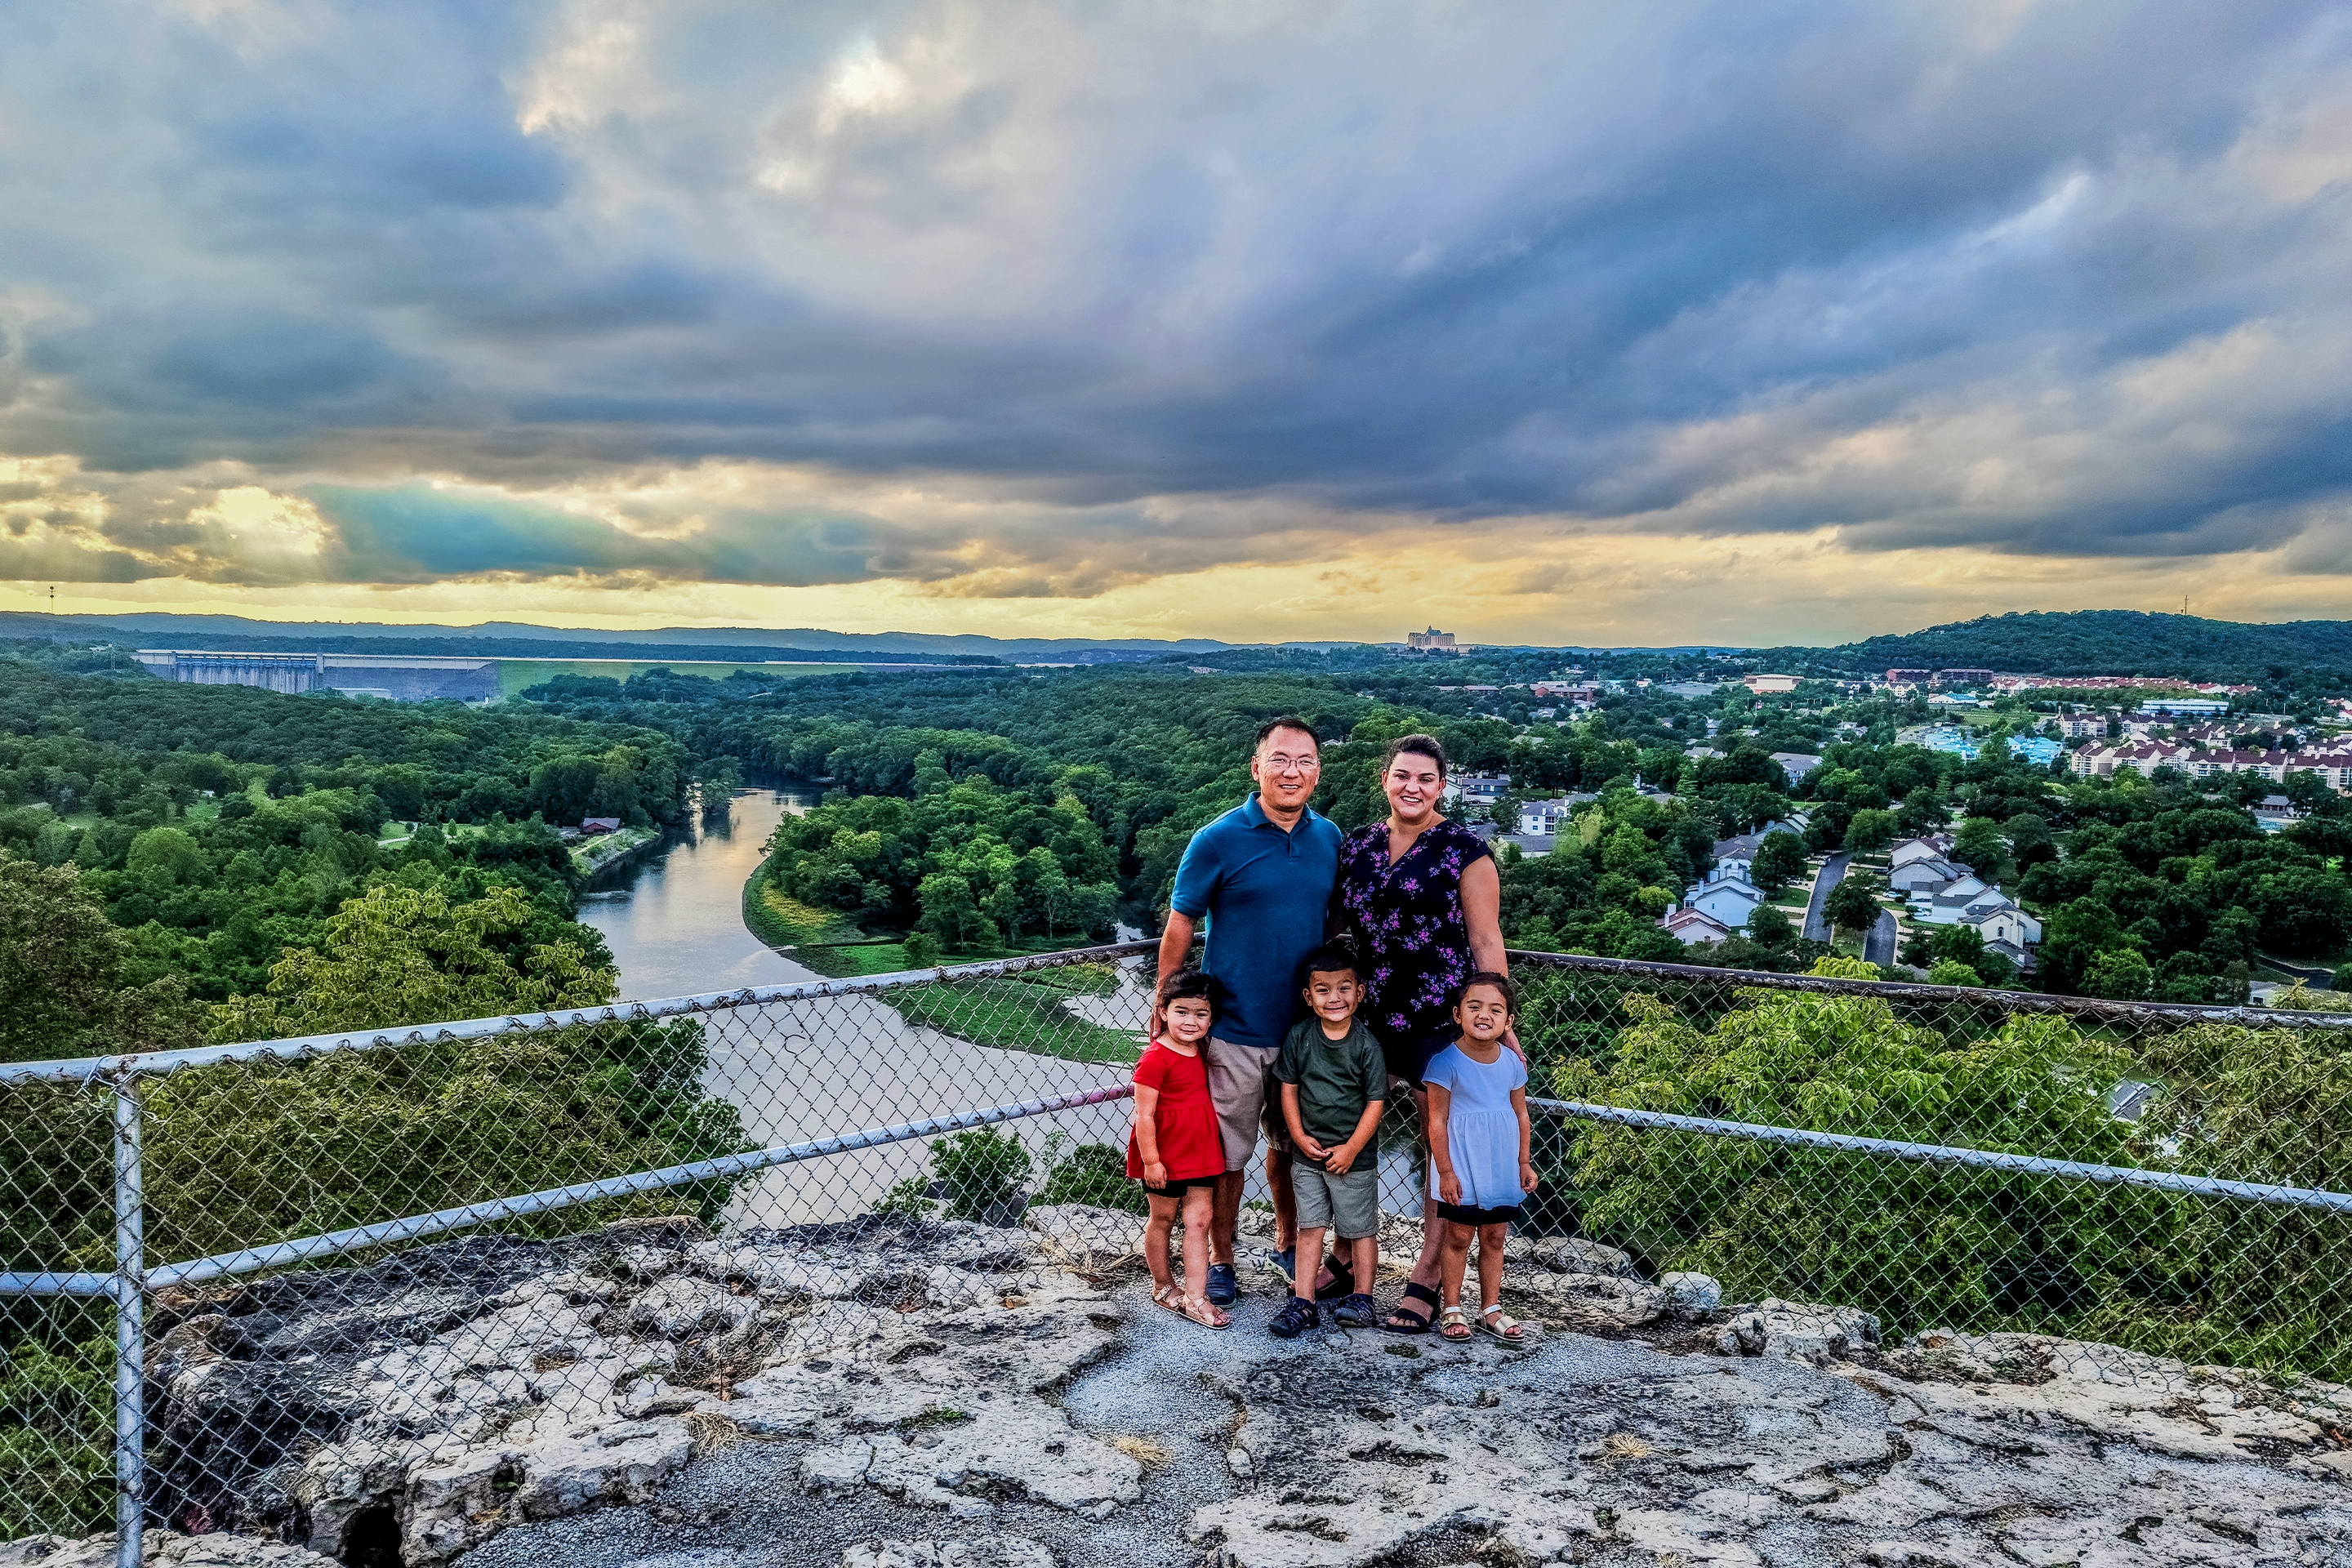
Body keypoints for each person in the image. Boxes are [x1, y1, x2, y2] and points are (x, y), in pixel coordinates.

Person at [1330, 733, 1514, 1334]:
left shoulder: (1466, 851)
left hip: (1439, 1018)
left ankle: (1427, 1276)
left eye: (1425, 779)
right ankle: (1342, 1254)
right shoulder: (1356, 845)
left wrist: (1499, 1021)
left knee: (1444, 1150)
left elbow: (1486, 942)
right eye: (1401, 775)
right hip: (1368, 1017)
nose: (1412, 788)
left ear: (1442, 785)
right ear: (1384, 778)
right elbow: (1337, 931)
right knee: (1348, 1132)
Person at [1160, 717, 1344, 1307]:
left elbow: (1338, 925)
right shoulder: (1216, 839)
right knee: (1225, 1156)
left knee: (1293, 1148)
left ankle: (1290, 1243)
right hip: (1235, 1030)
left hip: (1304, 1034)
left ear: (1318, 769)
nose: (1293, 771)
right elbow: (1181, 926)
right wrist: (1166, 1006)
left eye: (1306, 761)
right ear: (1256, 767)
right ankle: (1223, 1257)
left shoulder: (1330, 838)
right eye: (1281, 759)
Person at [1268, 943, 1386, 1336]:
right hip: (1308, 1155)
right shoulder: (1300, 1037)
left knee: (1359, 1230)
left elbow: (1375, 1103)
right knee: (1310, 1228)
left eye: (1344, 988)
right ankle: (1304, 1302)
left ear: (1360, 992)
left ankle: (1364, 1298)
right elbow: (1288, 1088)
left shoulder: (1367, 1045)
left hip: (1354, 1158)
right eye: (1323, 989)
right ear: (1308, 996)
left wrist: (1352, 1148)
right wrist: (1299, 1137)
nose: (1334, 998)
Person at [1423, 972, 1537, 1343]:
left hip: (1501, 1165)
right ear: (1458, 1014)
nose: (1484, 1014)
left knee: (1495, 1238)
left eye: (1495, 1009)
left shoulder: (1512, 1064)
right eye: (1474, 1007)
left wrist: (1523, 1162)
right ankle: (1452, 1307)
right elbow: (1437, 1122)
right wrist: (1445, 1172)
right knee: (1458, 1237)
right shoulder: (1444, 1063)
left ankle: (1491, 1308)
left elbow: (1521, 1115)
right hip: (1463, 1166)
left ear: (1509, 1021)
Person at [1129, 967, 1230, 1329]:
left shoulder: (1203, 1049)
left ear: (1211, 1018)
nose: (1191, 1021)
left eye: (1201, 1014)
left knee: (1199, 1222)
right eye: (1182, 1012)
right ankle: (1163, 1286)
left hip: (1201, 1151)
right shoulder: (1155, 1058)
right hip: (1166, 1155)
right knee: (1163, 1220)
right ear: (1163, 1012)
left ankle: (1196, 1297)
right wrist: (1152, 1161)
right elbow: (1144, 1115)